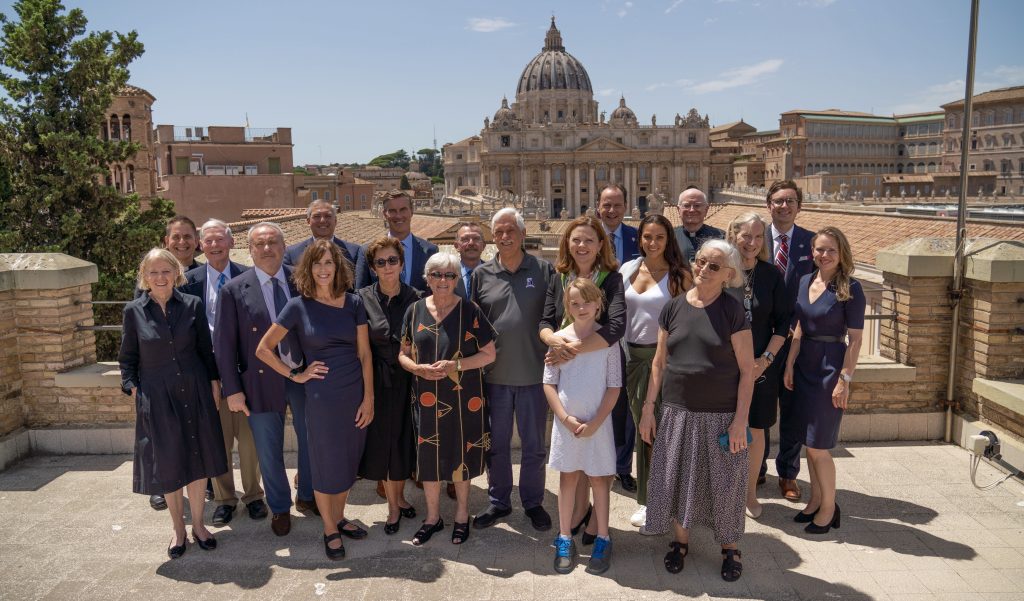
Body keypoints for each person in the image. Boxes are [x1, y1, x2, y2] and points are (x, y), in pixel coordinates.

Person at [640, 239, 754, 582]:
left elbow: (748, 369)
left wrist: (740, 422)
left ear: (728, 275)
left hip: (721, 414)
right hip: (677, 412)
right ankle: (680, 542)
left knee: (726, 484)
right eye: (700, 261)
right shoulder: (673, 307)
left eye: (713, 266)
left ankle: (730, 547)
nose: (703, 269)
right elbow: (659, 364)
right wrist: (649, 409)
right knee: (677, 479)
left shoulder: (733, 310)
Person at [256, 239, 374, 560]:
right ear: (308, 268)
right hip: (321, 397)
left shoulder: (353, 303)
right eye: (317, 263)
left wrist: (369, 398)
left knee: (349, 459)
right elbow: (263, 349)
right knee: (326, 463)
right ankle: (329, 529)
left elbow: (365, 354)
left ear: (338, 267)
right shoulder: (298, 306)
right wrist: (295, 375)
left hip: (354, 394)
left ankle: (339, 516)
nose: (323, 269)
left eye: (329, 263)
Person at [119, 248, 227, 558]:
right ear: (144, 277)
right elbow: (127, 360)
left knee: (197, 459)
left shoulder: (192, 305)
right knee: (168, 463)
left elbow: (206, 352)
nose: (160, 277)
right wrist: (133, 389)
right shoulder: (133, 311)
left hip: (194, 391)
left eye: (166, 271)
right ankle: (178, 530)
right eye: (153, 272)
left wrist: (214, 383)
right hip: (157, 395)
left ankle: (198, 524)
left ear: (175, 273)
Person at [214, 222, 315, 537]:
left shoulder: (303, 281)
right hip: (258, 381)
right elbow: (224, 345)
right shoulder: (233, 289)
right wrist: (233, 390)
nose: (267, 248)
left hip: (302, 376)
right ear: (250, 249)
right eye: (259, 244)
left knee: (310, 438)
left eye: (273, 242)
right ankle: (280, 507)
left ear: (284, 247)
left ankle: (308, 495)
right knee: (268, 448)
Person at [539, 216, 625, 555]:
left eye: (589, 240)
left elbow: (615, 327)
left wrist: (569, 350)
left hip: (597, 360)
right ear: (567, 244)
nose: (582, 246)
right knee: (574, 458)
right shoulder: (558, 277)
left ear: (600, 244)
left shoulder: (612, 279)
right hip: (563, 363)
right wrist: (554, 342)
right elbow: (546, 320)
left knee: (596, 457)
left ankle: (592, 522)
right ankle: (579, 514)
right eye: (576, 240)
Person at [399, 253, 497, 546]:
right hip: (427, 400)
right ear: (426, 278)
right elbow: (402, 353)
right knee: (428, 459)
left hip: (465, 400)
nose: (443, 281)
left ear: (457, 280)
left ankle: (462, 515)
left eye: (450, 275)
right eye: (437, 275)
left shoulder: (470, 311)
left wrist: (456, 366)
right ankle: (432, 518)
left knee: (461, 458)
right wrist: (416, 368)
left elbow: (489, 354)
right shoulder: (414, 311)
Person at [182, 220, 274, 525]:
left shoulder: (248, 278)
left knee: (249, 441)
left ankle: (253, 496)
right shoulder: (188, 280)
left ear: (231, 243)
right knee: (218, 440)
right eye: (207, 241)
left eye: (219, 240)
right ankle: (224, 499)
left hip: (245, 374)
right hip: (206, 375)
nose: (214, 246)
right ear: (200, 245)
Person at [471, 208, 556, 532]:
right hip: (494, 377)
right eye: (499, 232)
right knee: (496, 445)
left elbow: (555, 317)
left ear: (522, 234)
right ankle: (499, 501)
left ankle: (533, 502)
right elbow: (473, 323)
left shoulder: (543, 270)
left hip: (535, 375)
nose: (505, 237)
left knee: (534, 446)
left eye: (511, 231)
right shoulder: (481, 275)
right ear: (493, 236)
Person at [784, 226, 864, 535]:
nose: (824, 255)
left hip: (831, 366)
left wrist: (845, 379)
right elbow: (799, 327)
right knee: (809, 441)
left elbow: (856, 340)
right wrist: (790, 363)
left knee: (819, 446)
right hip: (805, 363)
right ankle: (817, 499)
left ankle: (830, 508)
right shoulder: (806, 281)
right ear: (812, 252)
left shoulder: (851, 288)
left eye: (831, 249)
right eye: (819, 249)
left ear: (841, 252)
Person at [618, 214, 691, 531]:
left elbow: (689, 323)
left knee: (662, 433)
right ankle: (652, 501)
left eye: (659, 237)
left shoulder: (679, 277)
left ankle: (666, 502)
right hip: (632, 359)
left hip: (666, 362)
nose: (653, 242)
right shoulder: (627, 270)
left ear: (668, 240)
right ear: (640, 239)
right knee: (643, 431)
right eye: (647, 236)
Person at [546, 278, 622, 575]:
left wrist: (596, 422)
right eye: (574, 302)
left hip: (598, 425)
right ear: (567, 305)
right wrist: (565, 418)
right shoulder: (558, 340)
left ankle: (603, 537)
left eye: (587, 301)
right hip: (567, 426)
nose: (581, 307)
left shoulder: (607, 342)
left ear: (599, 304)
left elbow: (614, 387)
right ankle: (564, 537)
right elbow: (549, 383)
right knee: (568, 480)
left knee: (600, 481)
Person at [724, 213, 790, 519]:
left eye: (758, 236)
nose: (751, 243)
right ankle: (723, 493)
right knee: (721, 430)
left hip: (761, 369)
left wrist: (765, 361)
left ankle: (749, 494)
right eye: (746, 235)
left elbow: (783, 324)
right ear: (733, 235)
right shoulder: (721, 272)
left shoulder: (772, 275)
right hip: (723, 368)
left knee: (755, 431)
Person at [357, 236, 421, 534]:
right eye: (380, 262)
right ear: (372, 267)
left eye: (392, 261)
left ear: (401, 263)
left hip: (410, 382)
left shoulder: (418, 299)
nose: (387, 267)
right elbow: (360, 349)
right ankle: (394, 508)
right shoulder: (361, 299)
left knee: (403, 443)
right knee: (385, 445)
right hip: (377, 383)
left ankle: (401, 498)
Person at [142, 215, 206, 510]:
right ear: (166, 242)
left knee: (196, 433)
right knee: (162, 435)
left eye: (188, 237)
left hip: (195, 368)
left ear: (197, 241)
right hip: (160, 374)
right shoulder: (151, 279)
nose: (182, 242)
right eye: (176, 237)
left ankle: (202, 483)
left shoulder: (206, 275)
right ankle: (162, 485)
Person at [765, 180, 815, 503]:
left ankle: (787, 474)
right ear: (768, 204)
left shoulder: (812, 243)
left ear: (799, 206)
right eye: (779, 201)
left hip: (797, 341)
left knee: (792, 411)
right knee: (759, 409)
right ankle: (755, 470)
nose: (784, 206)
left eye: (791, 201)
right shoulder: (753, 238)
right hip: (762, 341)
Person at [596, 183, 640, 494]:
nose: (612, 210)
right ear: (597, 206)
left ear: (626, 206)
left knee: (625, 405)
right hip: (594, 330)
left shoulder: (639, 238)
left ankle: (622, 466)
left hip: (630, 330)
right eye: (606, 204)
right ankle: (599, 463)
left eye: (617, 204)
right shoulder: (586, 237)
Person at [283, 199, 368, 290]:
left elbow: (360, 288)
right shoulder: (292, 253)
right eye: (317, 216)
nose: (322, 220)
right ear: (308, 221)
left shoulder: (354, 252)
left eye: (328, 216)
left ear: (335, 221)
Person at [363, 190, 437, 292]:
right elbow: (361, 294)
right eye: (392, 211)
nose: (398, 215)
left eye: (403, 210)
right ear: (385, 214)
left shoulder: (430, 251)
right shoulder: (366, 251)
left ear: (412, 211)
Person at [672, 187, 724, 262]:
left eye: (697, 205)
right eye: (686, 205)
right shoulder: (669, 237)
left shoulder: (721, 238)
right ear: (678, 210)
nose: (692, 210)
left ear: (706, 210)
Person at [453, 221, 485, 299]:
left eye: (476, 239)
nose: (471, 243)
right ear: (456, 246)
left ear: (483, 245)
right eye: (465, 239)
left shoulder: (495, 275)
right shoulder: (448, 275)